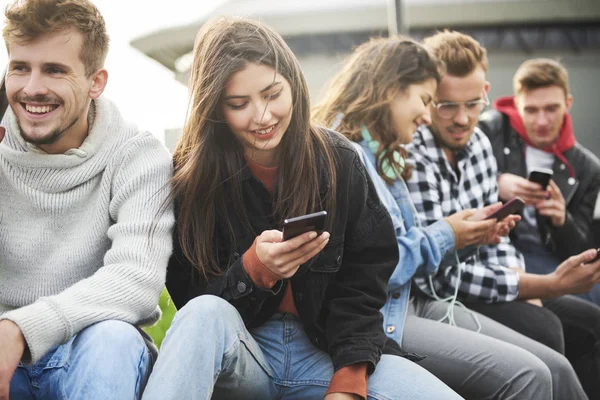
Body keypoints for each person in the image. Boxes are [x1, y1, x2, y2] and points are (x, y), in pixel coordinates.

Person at [142, 18, 461, 400]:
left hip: (327, 354)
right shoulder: (189, 179)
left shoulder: (340, 160)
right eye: (239, 104)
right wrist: (254, 271)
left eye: (272, 93)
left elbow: (365, 284)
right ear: (214, 109)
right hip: (244, 354)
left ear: (293, 83)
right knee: (203, 313)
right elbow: (191, 303)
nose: (262, 116)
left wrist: (348, 384)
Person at [313, 34, 587, 399]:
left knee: (553, 368)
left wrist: (474, 237)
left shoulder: (384, 150)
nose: (428, 116)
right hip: (390, 315)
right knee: (532, 373)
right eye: (429, 101)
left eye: (472, 104)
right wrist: (449, 235)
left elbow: (408, 253)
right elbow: (375, 270)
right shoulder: (349, 155)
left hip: (413, 299)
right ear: (391, 90)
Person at [405, 29, 600, 398]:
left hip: (492, 276)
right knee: (546, 330)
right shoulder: (415, 151)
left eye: (474, 103)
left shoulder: (478, 142)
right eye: (447, 105)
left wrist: (521, 279)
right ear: (426, 98)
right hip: (443, 294)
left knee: (590, 321)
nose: (463, 119)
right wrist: (534, 287)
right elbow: (436, 278)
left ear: (486, 93)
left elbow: (498, 239)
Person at [0, 0, 175, 399]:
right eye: (20, 67)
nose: (32, 88)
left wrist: (20, 329)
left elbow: (136, 281)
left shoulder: (137, 156)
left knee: (113, 338)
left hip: (92, 355)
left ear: (96, 81)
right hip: (6, 359)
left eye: (55, 70)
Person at [478, 58, 600, 307]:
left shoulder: (587, 167)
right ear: (516, 104)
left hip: (547, 254)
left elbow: (584, 249)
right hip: (493, 248)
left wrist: (562, 220)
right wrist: (497, 182)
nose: (542, 121)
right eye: (531, 110)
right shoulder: (487, 131)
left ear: (568, 104)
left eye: (551, 109)